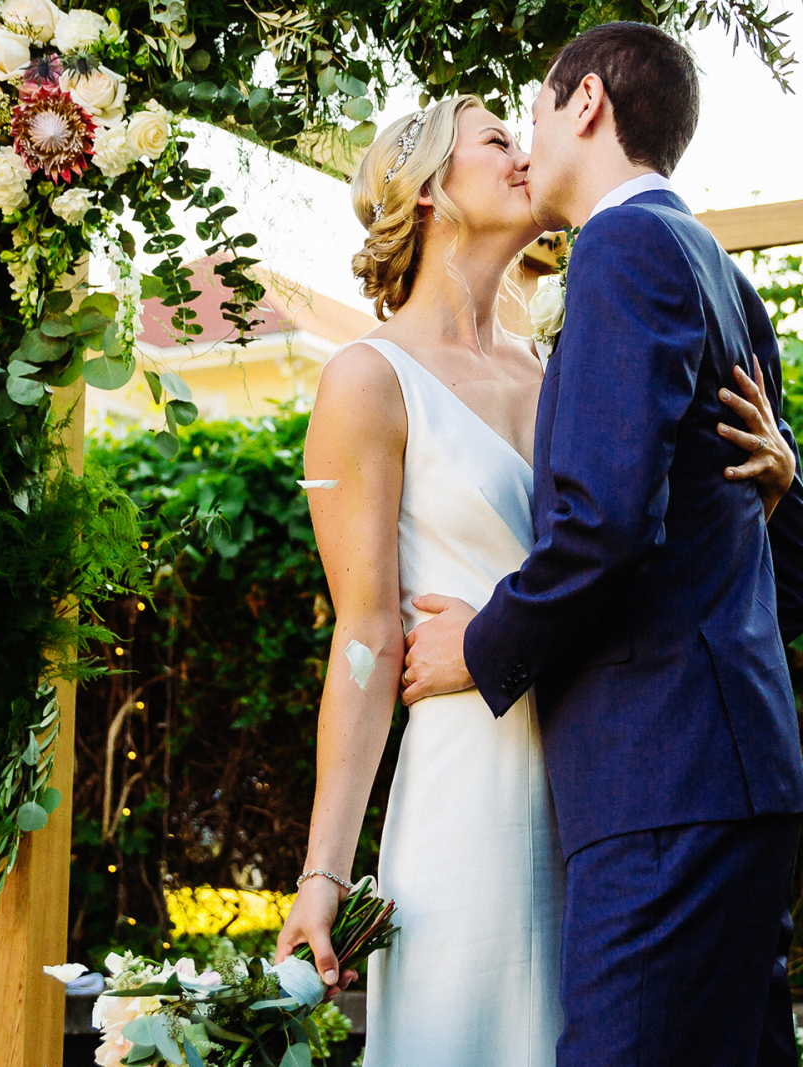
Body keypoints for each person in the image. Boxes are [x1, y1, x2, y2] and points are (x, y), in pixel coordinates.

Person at [275, 28, 802, 1067]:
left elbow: (651, 535)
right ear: (424, 190)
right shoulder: (363, 380)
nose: (525, 150)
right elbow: (368, 638)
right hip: (480, 777)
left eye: (528, 127)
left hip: (612, 773)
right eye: (492, 139)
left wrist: (781, 490)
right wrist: (321, 874)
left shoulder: (575, 343)